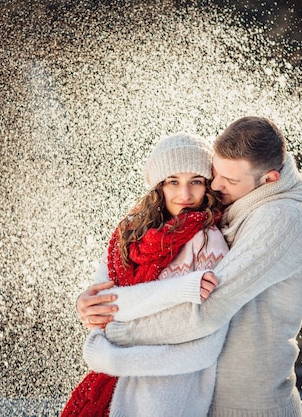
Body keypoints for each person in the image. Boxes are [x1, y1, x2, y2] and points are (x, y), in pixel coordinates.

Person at [77, 116, 302, 416]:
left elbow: (205, 310)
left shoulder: (279, 219)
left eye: (228, 181)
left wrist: (110, 329)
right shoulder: (232, 205)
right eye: (215, 173)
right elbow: (115, 279)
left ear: (268, 180)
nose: (216, 185)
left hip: (250, 408)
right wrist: (88, 304)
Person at [61, 132, 230, 416]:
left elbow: (202, 345)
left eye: (196, 182)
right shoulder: (127, 236)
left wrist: (112, 358)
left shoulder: (208, 242)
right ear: (158, 186)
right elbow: (101, 308)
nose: (185, 195)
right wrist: (85, 306)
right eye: (173, 182)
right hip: (115, 392)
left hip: (170, 398)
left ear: (208, 186)